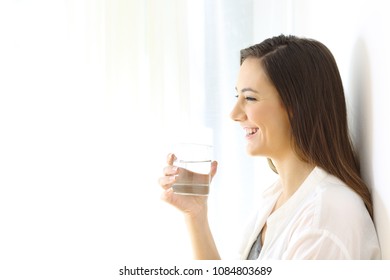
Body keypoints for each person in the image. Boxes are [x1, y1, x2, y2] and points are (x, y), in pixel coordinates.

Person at [158, 35, 381, 259]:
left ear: (297, 106)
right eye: (238, 96)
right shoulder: (277, 199)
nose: (234, 114)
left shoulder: (327, 217)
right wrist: (196, 215)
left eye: (250, 98)